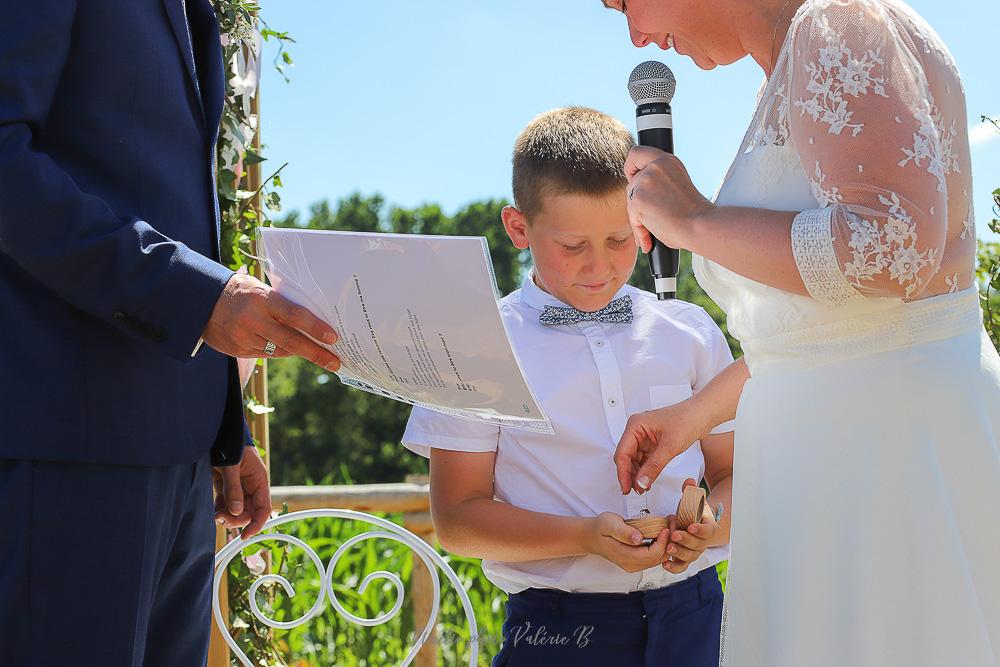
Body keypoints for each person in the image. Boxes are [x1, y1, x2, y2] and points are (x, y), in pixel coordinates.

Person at [601, 0, 1000, 665]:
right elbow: (834, 327)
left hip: (883, 474)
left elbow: (892, 249)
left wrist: (693, 220)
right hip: (844, 463)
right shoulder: (801, 58)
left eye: (623, 2)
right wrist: (694, 415)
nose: (636, 34)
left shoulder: (836, 23)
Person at [0, 2, 341, 665]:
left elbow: (167, 202)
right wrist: (199, 298)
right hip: (68, 446)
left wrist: (221, 426)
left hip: (182, 467)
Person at [402, 107, 736, 666]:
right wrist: (584, 537)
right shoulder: (474, 345)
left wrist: (712, 524)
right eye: (572, 247)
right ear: (518, 229)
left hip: (699, 620)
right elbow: (457, 520)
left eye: (618, 239)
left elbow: (733, 475)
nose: (600, 267)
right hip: (557, 633)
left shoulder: (691, 330)